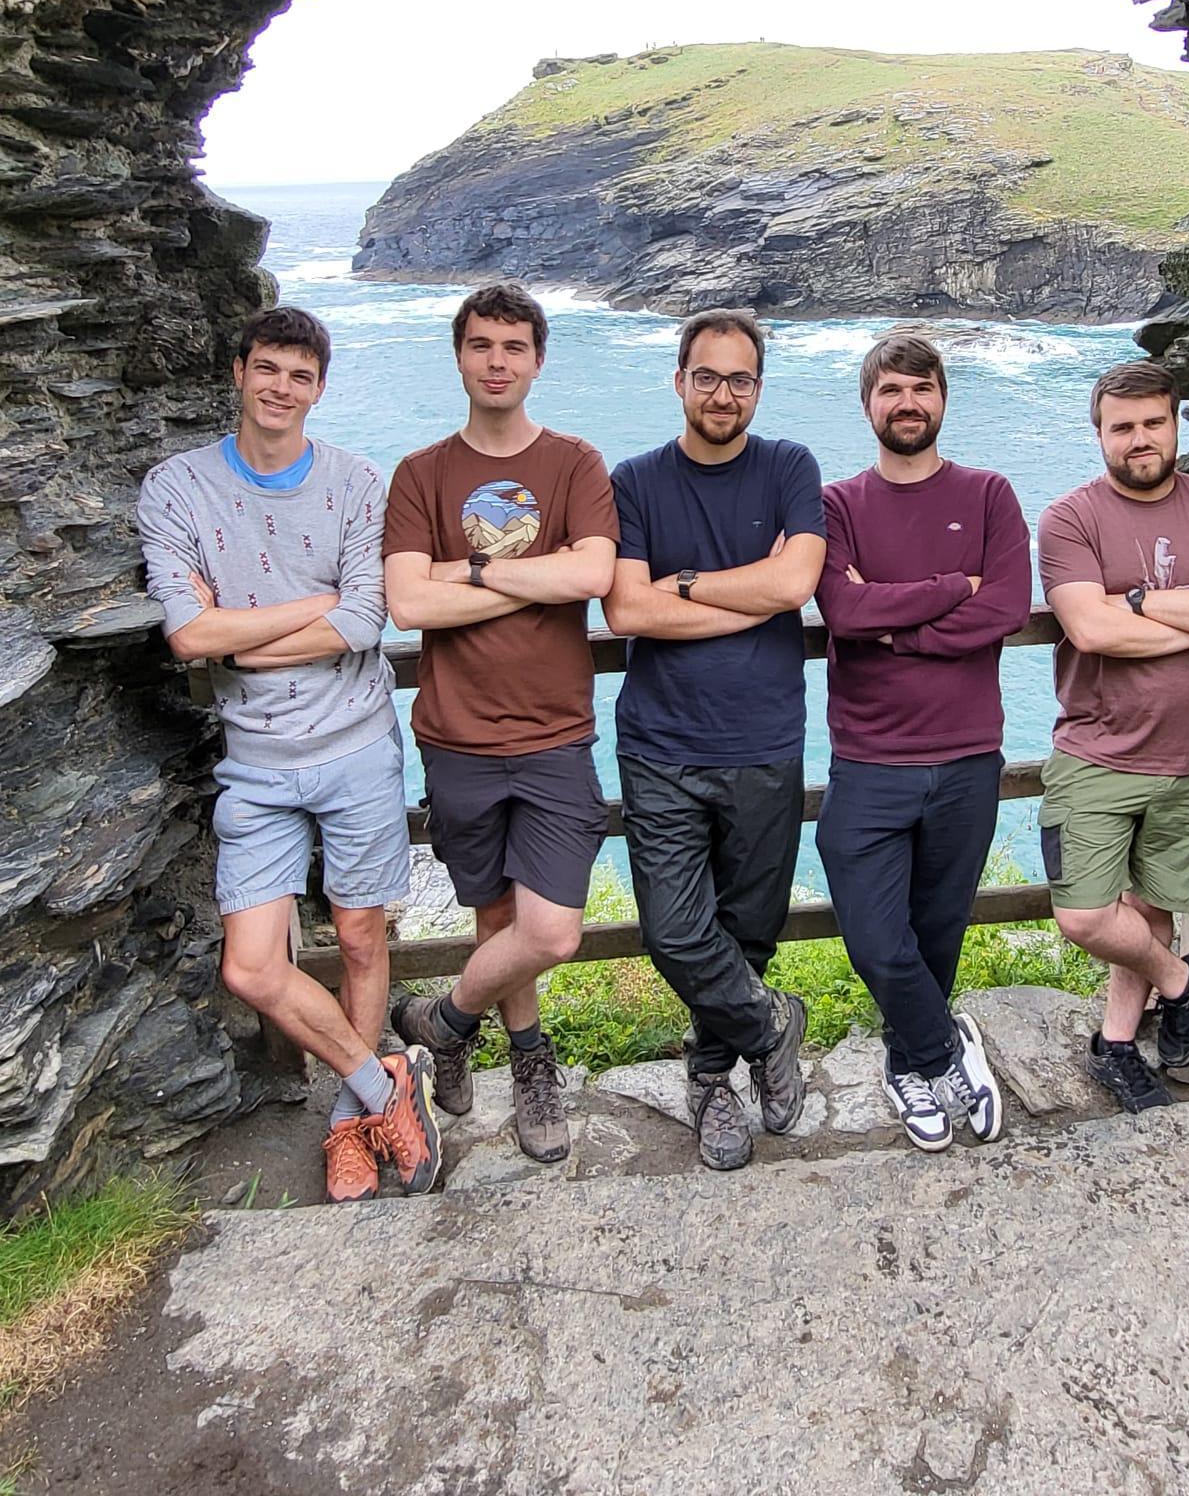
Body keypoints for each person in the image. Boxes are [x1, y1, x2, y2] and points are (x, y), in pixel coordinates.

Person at [136, 305, 441, 1205]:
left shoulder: (355, 482)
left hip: (356, 745)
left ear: (320, 388)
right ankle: (386, 1084)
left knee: (360, 936)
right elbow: (187, 636)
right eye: (266, 368)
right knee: (251, 967)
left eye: (299, 375)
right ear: (239, 372)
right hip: (256, 761)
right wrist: (301, 612)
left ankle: (352, 1126)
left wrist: (235, 639)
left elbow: (364, 619)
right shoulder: (177, 487)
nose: (280, 388)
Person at [382, 282, 617, 1164]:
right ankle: (528, 1061)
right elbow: (409, 604)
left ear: (537, 361)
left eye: (514, 347)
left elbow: (590, 576)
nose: (497, 361)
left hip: (554, 733)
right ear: (460, 356)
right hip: (457, 735)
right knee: (495, 921)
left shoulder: (575, 463)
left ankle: (442, 1021)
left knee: (551, 930)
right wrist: (529, 573)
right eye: (481, 345)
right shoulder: (421, 473)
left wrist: (467, 572)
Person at [602, 308, 826, 1170]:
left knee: (749, 930)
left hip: (764, 737)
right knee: (673, 929)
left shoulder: (789, 466)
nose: (722, 394)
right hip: (661, 742)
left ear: (758, 388)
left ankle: (711, 1080)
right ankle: (771, 1027)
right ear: (679, 382)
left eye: (739, 379)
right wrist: (750, 594)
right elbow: (627, 610)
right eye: (707, 376)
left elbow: (795, 583)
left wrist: (686, 584)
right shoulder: (634, 480)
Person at [1036, 358, 1189, 1112]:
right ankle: (1184, 983)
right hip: (1097, 750)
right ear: (1099, 434)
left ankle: (1116, 1045)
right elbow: (1092, 630)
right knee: (1084, 914)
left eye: (1153, 423)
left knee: (1153, 908)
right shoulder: (1071, 518)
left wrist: (1137, 601)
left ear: (1175, 424)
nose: (1139, 439)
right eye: (1122, 427)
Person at [815, 333, 1031, 1152]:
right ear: (866, 404)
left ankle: (908, 1065)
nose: (907, 403)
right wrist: (950, 590)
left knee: (938, 931)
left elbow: (1004, 607)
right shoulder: (837, 505)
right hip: (869, 759)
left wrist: (894, 623)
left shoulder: (989, 494)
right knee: (876, 938)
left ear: (943, 398)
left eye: (922, 388)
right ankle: (946, 1050)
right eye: (891, 390)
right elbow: (844, 611)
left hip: (968, 755)